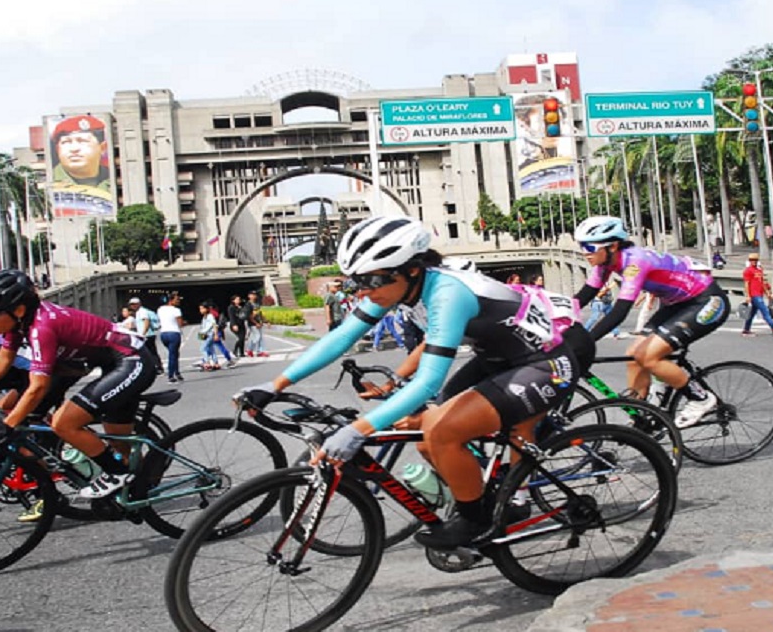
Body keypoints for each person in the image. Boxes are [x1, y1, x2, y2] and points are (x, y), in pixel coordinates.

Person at [236, 215, 593, 549]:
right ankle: (489, 491)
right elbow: (340, 338)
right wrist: (274, 385)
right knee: (432, 431)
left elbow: (427, 382)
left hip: (544, 363)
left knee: (443, 431)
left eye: (372, 280)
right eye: (357, 281)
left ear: (410, 269)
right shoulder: (400, 287)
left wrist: (358, 430)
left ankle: (480, 518)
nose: (364, 291)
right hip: (497, 360)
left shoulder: (447, 294)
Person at [0, 269, 157, 500]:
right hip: (106, 363)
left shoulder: (41, 327)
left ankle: (117, 474)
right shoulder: (20, 323)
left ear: (18, 310)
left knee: (63, 423)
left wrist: (7, 425)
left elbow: (37, 386)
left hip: (131, 360)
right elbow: (4, 357)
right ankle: (141, 488)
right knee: (118, 443)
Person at [572, 215, 731, 428]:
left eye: (589, 247)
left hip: (704, 301)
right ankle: (642, 414)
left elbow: (619, 312)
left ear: (613, 246)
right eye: (581, 246)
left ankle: (701, 399)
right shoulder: (605, 264)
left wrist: (585, 341)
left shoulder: (635, 262)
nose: (584, 252)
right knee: (632, 355)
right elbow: (583, 297)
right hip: (676, 304)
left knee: (647, 357)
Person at [49, 115, 113, 217]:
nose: (74, 149)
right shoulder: (52, 184)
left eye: (82, 141)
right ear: (57, 150)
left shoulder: (113, 179)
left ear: (102, 147)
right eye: (66, 142)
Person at [740, 252, 773, 337]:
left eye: (755, 260)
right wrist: (748, 295)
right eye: (752, 260)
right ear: (749, 261)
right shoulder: (748, 271)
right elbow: (746, 284)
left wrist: (767, 293)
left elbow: (762, 283)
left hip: (759, 294)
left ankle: (746, 329)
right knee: (765, 311)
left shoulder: (759, 270)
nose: (754, 261)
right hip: (754, 295)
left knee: (752, 313)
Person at [130, 297, 162, 375]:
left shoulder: (142, 311)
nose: (132, 306)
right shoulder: (138, 312)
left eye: (134, 304)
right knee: (149, 352)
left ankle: (158, 367)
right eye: (131, 305)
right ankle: (156, 366)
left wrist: (143, 334)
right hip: (145, 335)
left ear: (139, 304)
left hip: (147, 335)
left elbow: (146, 322)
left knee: (150, 352)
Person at [158, 292, 185, 383]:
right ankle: (171, 375)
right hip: (174, 333)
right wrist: (185, 322)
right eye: (176, 299)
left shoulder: (160, 309)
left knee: (174, 353)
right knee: (173, 355)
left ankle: (177, 373)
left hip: (163, 334)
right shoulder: (176, 310)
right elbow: (180, 324)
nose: (178, 301)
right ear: (171, 300)